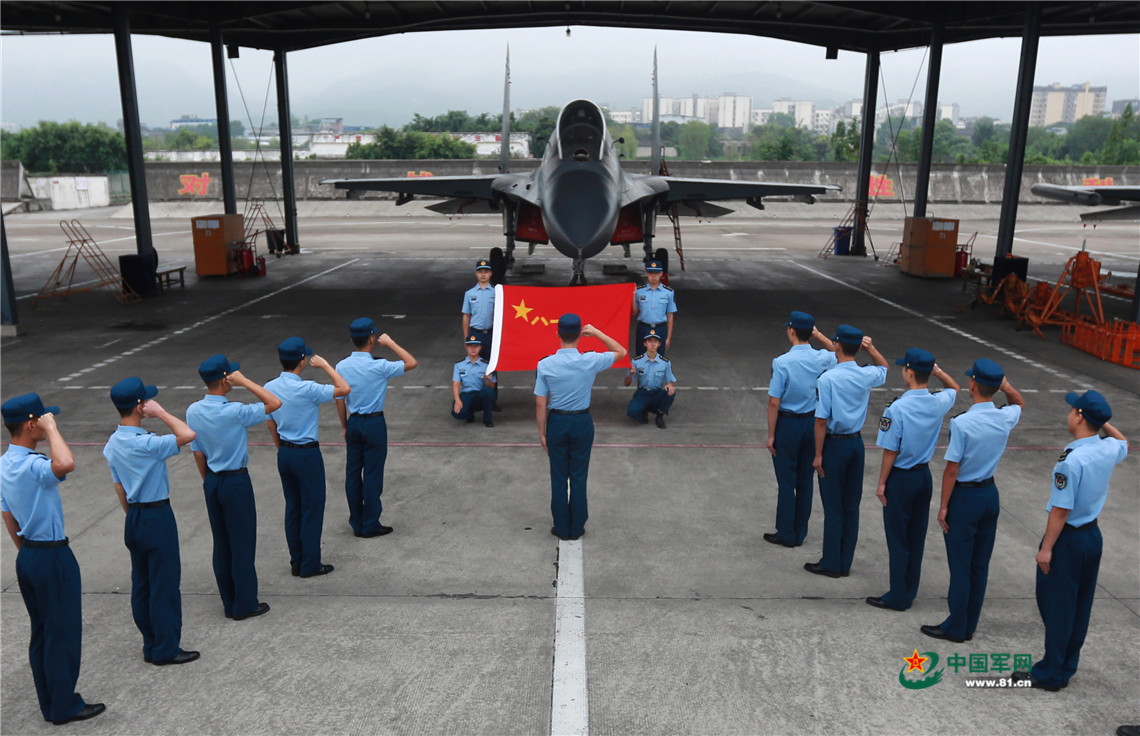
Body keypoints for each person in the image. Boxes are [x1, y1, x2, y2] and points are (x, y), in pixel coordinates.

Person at [1, 393, 105, 725]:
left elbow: (9, 519)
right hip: (52, 554)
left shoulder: (4, 464)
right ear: (31, 423)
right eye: (44, 419)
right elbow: (65, 463)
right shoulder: (34, 465)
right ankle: (64, 706)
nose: (50, 422)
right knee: (62, 632)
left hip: (29, 554)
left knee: (42, 632)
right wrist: (53, 430)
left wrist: (29, 554)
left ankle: (50, 701)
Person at [1013, 390, 1128, 691]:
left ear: (1079, 417)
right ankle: (1066, 666)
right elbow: (1123, 442)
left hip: (1068, 540)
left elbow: (1061, 511)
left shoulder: (1070, 460)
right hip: (1092, 535)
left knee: (1057, 605)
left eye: (1072, 410)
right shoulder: (1107, 448)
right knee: (1079, 605)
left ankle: (1050, 673)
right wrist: (1103, 423)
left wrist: (1046, 548)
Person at [921, 358, 1023, 643]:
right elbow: (1019, 403)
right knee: (979, 565)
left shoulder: (962, 422)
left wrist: (943, 506)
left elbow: (952, 468)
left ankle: (956, 625)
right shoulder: (1005, 417)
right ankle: (969, 624)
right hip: (989, 494)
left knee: (961, 565)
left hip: (965, 497)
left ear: (973, 384)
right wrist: (1006, 386)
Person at [103, 377, 200, 666]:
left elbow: (119, 488)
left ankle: (150, 642)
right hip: (157, 514)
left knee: (142, 584)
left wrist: (133, 516)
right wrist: (161, 413)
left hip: (134, 515)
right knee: (165, 584)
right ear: (139, 406)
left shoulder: (112, 443)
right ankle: (166, 648)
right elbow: (187, 434)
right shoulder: (147, 443)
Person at [186, 354, 281, 621]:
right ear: (226, 379)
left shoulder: (193, 411)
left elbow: (197, 453)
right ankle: (245, 604)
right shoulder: (235, 411)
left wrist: (209, 482)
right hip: (236, 481)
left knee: (222, 545)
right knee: (242, 545)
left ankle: (229, 601)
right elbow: (274, 403)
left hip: (213, 480)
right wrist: (245, 381)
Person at [866, 349, 959, 612]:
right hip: (923, 476)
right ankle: (909, 589)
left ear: (908, 371)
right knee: (916, 537)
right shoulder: (937, 402)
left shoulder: (897, 408)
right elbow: (954, 388)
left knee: (898, 538)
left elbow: (890, 450)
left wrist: (882, 482)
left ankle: (898, 595)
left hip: (901, 479)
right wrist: (937, 372)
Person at [535, 314, 626, 540]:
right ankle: (577, 527)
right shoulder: (590, 360)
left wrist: (542, 433)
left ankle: (561, 526)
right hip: (582, 422)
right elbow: (621, 351)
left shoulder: (545, 364)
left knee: (558, 477)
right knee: (578, 476)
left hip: (557, 421)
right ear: (579, 335)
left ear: (557, 334)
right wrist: (596, 332)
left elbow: (540, 402)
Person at [265, 337, 350, 578]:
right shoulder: (308, 388)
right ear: (302, 361)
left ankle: (297, 559)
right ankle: (311, 563)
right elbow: (343, 389)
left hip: (286, 452)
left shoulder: (270, 387)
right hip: (307, 453)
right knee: (312, 508)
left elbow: (271, 423)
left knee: (293, 507)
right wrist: (325, 366)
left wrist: (280, 449)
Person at [806, 326, 887, 578]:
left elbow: (821, 420)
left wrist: (818, 453)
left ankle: (830, 563)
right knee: (851, 506)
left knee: (833, 507)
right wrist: (871, 349)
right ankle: (844, 561)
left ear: (837, 346)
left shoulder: (827, 378)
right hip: (855, 444)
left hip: (834, 444)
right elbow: (884, 368)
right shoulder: (865, 374)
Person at [336, 318, 418, 538]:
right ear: (372, 338)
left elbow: (339, 399)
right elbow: (411, 362)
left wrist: (345, 425)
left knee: (353, 472)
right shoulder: (379, 366)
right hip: (374, 423)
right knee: (372, 474)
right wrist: (390, 343)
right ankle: (370, 522)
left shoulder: (341, 366)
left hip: (354, 421)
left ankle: (356, 520)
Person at [764, 311, 836, 548]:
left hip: (788, 423)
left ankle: (786, 532)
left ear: (791, 331)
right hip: (811, 423)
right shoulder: (821, 358)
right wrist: (819, 336)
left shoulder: (782, 361)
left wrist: (772, 434)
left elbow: (775, 401)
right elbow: (837, 351)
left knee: (787, 482)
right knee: (806, 480)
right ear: (810, 333)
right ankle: (800, 531)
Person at [623, 329, 676, 428]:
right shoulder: (636, 361)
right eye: (650, 341)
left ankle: (659, 416)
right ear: (645, 343)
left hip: (656, 393)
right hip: (642, 393)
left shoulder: (665, 363)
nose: (652, 344)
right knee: (632, 412)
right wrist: (630, 374)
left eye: (655, 342)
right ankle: (643, 411)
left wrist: (670, 385)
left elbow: (670, 380)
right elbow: (626, 383)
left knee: (671, 392)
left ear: (659, 344)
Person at [631, 259, 676, 356]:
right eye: (651, 272)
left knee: (659, 359)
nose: (653, 276)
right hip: (644, 328)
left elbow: (670, 315)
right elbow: (634, 312)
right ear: (646, 273)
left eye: (656, 273)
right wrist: (633, 296)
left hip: (660, 328)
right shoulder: (640, 291)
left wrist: (668, 338)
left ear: (661, 274)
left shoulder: (668, 292)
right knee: (641, 357)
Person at [451, 334, 497, 427]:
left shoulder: (486, 365)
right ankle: (469, 413)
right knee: (457, 413)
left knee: (489, 392)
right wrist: (457, 400)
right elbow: (456, 383)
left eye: (476, 346)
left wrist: (488, 379)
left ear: (480, 347)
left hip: (480, 394)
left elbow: (492, 386)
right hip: (466, 394)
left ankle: (487, 419)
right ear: (466, 347)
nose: (473, 349)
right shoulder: (459, 364)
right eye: (470, 346)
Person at [461, 259, 496, 361]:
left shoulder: (496, 293)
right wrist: (466, 338)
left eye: (486, 272)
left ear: (490, 274)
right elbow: (466, 316)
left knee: (491, 364)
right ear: (476, 274)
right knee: (476, 363)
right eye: (480, 272)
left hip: (491, 333)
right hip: (476, 333)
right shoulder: (469, 293)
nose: (483, 275)